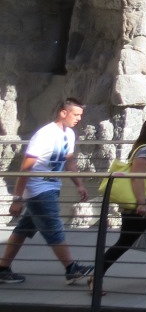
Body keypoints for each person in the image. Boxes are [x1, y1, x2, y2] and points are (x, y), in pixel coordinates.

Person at [0, 97, 94, 285]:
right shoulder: (44, 135)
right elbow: (26, 168)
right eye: (76, 115)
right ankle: (71, 269)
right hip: (39, 190)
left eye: (80, 115)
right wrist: (18, 198)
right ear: (63, 113)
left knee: (23, 229)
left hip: (51, 187)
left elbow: (69, 161)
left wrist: (79, 184)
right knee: (54, 228)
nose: (79, 119)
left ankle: (2, 268)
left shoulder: (69, 134)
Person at [92, 116, 146, 291]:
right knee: (125, 242)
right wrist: (141, 203)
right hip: (144, 207)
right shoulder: (145, 151)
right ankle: (95, 277)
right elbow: (137, 178)